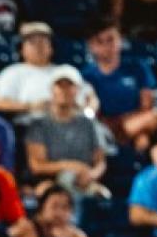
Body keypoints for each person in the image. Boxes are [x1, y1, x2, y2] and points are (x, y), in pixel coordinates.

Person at [24, 69, 108, 201]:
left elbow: (100, 162)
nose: (64, 90)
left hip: (83, 182)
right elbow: (37, 165)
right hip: (50, 183)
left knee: (103, 196)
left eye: (69, 86)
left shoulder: (89, 124)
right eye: (60, 86)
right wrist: (71, 166)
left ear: (77, 90)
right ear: (52, 90)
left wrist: (91, 175)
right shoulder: (39, 124)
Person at [82, 20, 157, 145]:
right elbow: (92, 111)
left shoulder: (138, 67)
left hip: (134, 123)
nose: (106, 46)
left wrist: (135, 128)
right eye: (100, 42)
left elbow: (146, 106)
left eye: (110, 39)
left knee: (154, 117)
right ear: (91, 46)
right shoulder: (86, 75)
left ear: (120, 40)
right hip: (105, 127)